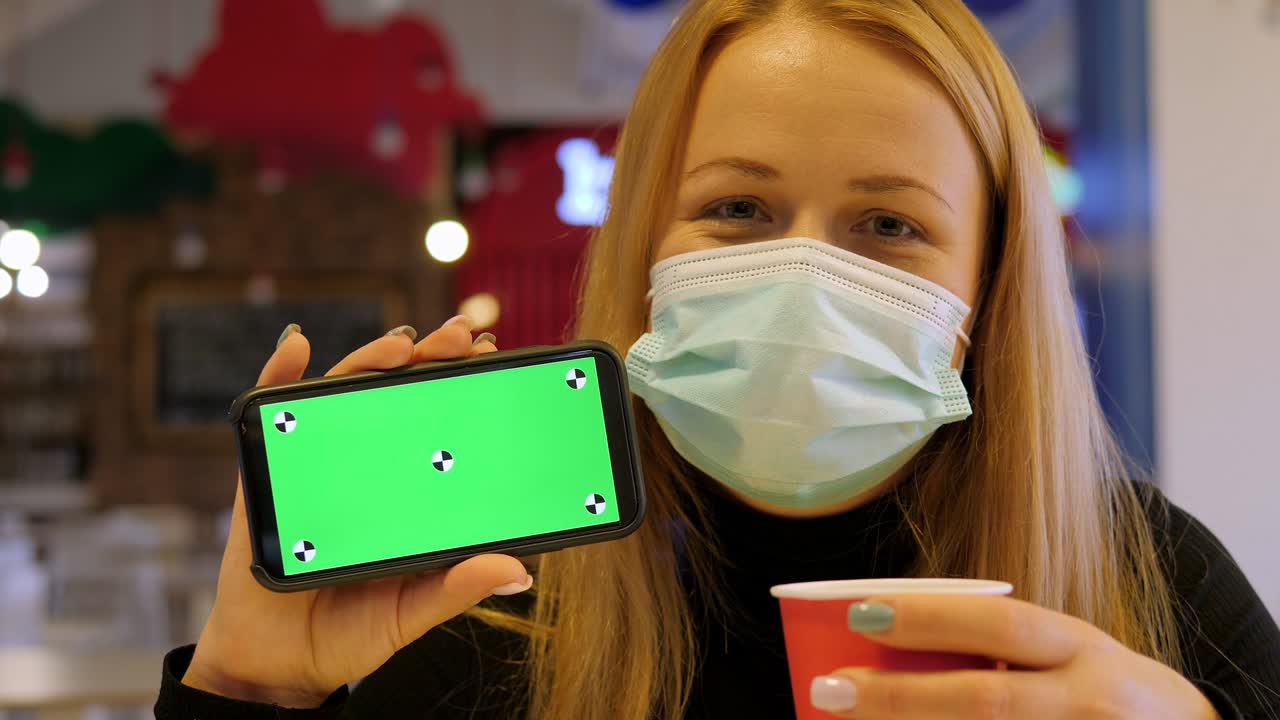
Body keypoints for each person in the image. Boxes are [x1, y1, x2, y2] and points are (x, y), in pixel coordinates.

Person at [157, 1, 1280, 718]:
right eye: (736, 206)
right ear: (644, 239)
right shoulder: (486, 611)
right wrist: (243, 691)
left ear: (985, 292)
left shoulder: (1150, 593)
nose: (799, 277)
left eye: (888, 225)